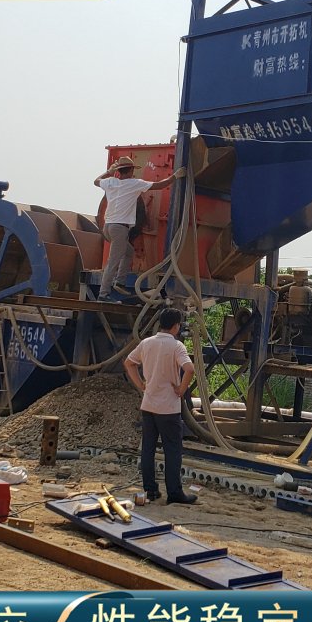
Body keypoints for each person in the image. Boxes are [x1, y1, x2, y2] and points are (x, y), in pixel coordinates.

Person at [123, 307, 197, 505]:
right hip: (168, 408)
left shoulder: (146, 343)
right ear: (176, 326)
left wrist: (140, 384)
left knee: (148, 448)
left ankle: (150, 490)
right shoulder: (176, 346)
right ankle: (174, 492)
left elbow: (129, 363)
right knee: (172, 450)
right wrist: (181, 389)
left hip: (148, 404)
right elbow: (189, 369)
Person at [94, 156, 183, 301]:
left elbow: (96, 181)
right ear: (131, 171)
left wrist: (108, 172)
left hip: (108, 227)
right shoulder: (134, 184)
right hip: (120, 229)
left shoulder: (111, 182)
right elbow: (160, 185)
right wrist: (175, 176)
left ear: (119, 171)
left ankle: (119, 282)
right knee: (113, 262)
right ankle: (103, 294)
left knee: (128, 252)